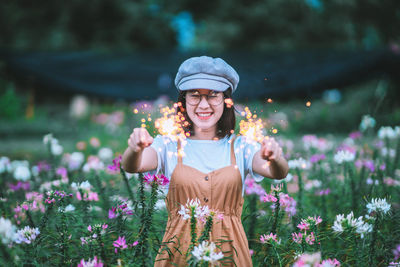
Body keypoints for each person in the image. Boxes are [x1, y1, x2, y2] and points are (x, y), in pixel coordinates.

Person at [122, 56, 289, 266]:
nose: (203, 104)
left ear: (226, 100)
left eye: (213, 95)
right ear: (183, 101)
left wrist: (275, 157)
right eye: (194, 96)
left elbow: (278, 172)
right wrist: (135, 148)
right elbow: (132, 165)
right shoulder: (167, 145)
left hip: (231, 254)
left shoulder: (242, 147)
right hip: (179, 254)